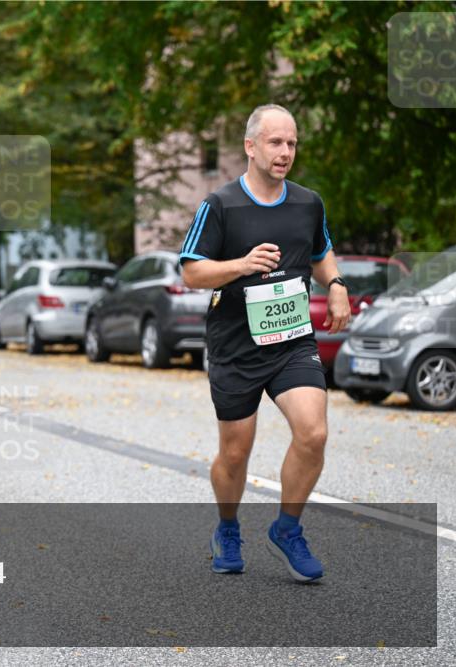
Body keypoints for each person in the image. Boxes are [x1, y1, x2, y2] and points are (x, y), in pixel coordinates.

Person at [180, 104, 350, 583]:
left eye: (292, 143)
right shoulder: (220, 205)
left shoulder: (307, 202)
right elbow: (191, 271)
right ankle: (228, 528)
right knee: (235, 453)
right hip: (236, 344)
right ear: (251, 147)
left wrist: (335, 284)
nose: (285, 152)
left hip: (292, 340)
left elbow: (320, 252)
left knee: (313, 432)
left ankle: (288, 528)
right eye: (276, 142)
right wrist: (241, 263)